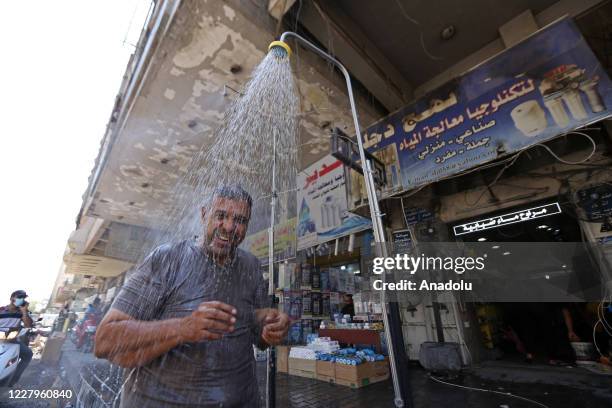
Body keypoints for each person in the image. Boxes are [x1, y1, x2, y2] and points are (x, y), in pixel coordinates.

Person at [95, 185, 290, 407]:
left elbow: (258, 338)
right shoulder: (168, 258)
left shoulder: (251, 267)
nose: (229, 226)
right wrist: (183, 328)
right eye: (221, 216)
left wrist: (270, 327)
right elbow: (106, 340)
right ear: (204, 214)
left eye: (240, 220)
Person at [0, 290, 33, 386]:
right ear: (11, 298)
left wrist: (24, 311)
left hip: (12, 340)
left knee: (28, 354)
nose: (21, 299)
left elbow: (27, 325)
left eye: (23, 298)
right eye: (19, 297)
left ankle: (13, 380)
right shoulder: (1, 310)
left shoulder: (22, 313)